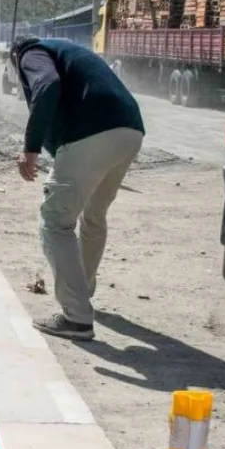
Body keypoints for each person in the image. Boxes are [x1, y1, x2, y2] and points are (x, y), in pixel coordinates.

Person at [10, 36, 145, 342]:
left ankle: (76, 317)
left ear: (15, 57)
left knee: (55, 222)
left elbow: (47, 86)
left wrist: (30, 147)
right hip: (130, 130)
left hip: (91, 134)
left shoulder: (31, 52)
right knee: (94, 215)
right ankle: (83, 290)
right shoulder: (68, 51)